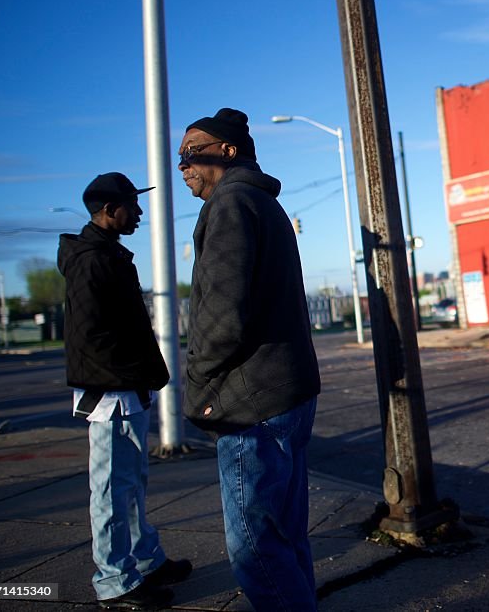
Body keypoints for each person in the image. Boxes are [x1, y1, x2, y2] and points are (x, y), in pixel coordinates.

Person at [178, 108, 321, 611]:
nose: (183, 165)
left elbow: (220, 313)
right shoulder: (261, 204)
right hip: (285, 392)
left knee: (255, 546)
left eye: (192, 151)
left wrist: (196, 383)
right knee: (286, 535)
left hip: (251, 402)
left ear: (228, 151)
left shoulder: (230, 204)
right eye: (180, 157)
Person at [58, 172, 192, 610]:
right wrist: (129, 375)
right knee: (111, 490)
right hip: (110, 393)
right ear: (110, 210)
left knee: (131, 484)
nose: (139, 213)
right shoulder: (91, 259)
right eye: (132, 206)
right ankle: (115, 582)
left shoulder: (107, 254)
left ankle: (144, 559)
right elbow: (89, 334)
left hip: (126, 389)